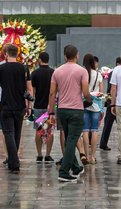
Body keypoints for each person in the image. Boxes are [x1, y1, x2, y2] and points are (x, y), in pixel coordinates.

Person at [0, 43, 32, 173]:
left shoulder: (1, 69)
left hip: (6, 105)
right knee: (17, 134)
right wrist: (29, 106)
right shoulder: (24, 68)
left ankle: (14, 162)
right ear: (18, 54)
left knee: (8, 134)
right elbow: (29, 88)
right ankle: (14, 161)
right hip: (20, 106)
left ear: (6, 54)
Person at [49, 45, 90, 182]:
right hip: (76, 110)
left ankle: (76, 167)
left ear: (65, 56)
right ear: (77, 56)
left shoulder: (57, 72)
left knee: (68, 139)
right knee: (72, 140)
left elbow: (52, 93)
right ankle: (64, 171)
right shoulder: (82, 71)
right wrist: (90, 100)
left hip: (62, 110)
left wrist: (51, 112)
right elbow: (85, 92)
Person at [29, 51, 56, 164]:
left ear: (39, 60)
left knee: (39, 130)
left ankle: (39, 155)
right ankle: (48, 155)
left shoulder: (34, 73)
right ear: (48, 60)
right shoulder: (53, 73)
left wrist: (30, 105)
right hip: (50, 107)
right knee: (49, 131)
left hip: (38, 106)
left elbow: (32, 90)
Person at [80, 53, 103, 165]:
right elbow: (101, 93)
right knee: (94, 130)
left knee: (84, 130)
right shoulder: (99, 75)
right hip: (96, 105)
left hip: (83, 104)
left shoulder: (82, 74)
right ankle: (93, 157)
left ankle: (86, 156)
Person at [98, 57, 121, 151]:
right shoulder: (114, 73)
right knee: (109, 124)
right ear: (117, 64)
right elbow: (111, 89)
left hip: (114, 102)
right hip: (112, 102)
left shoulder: (116, 73)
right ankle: (103, 143)